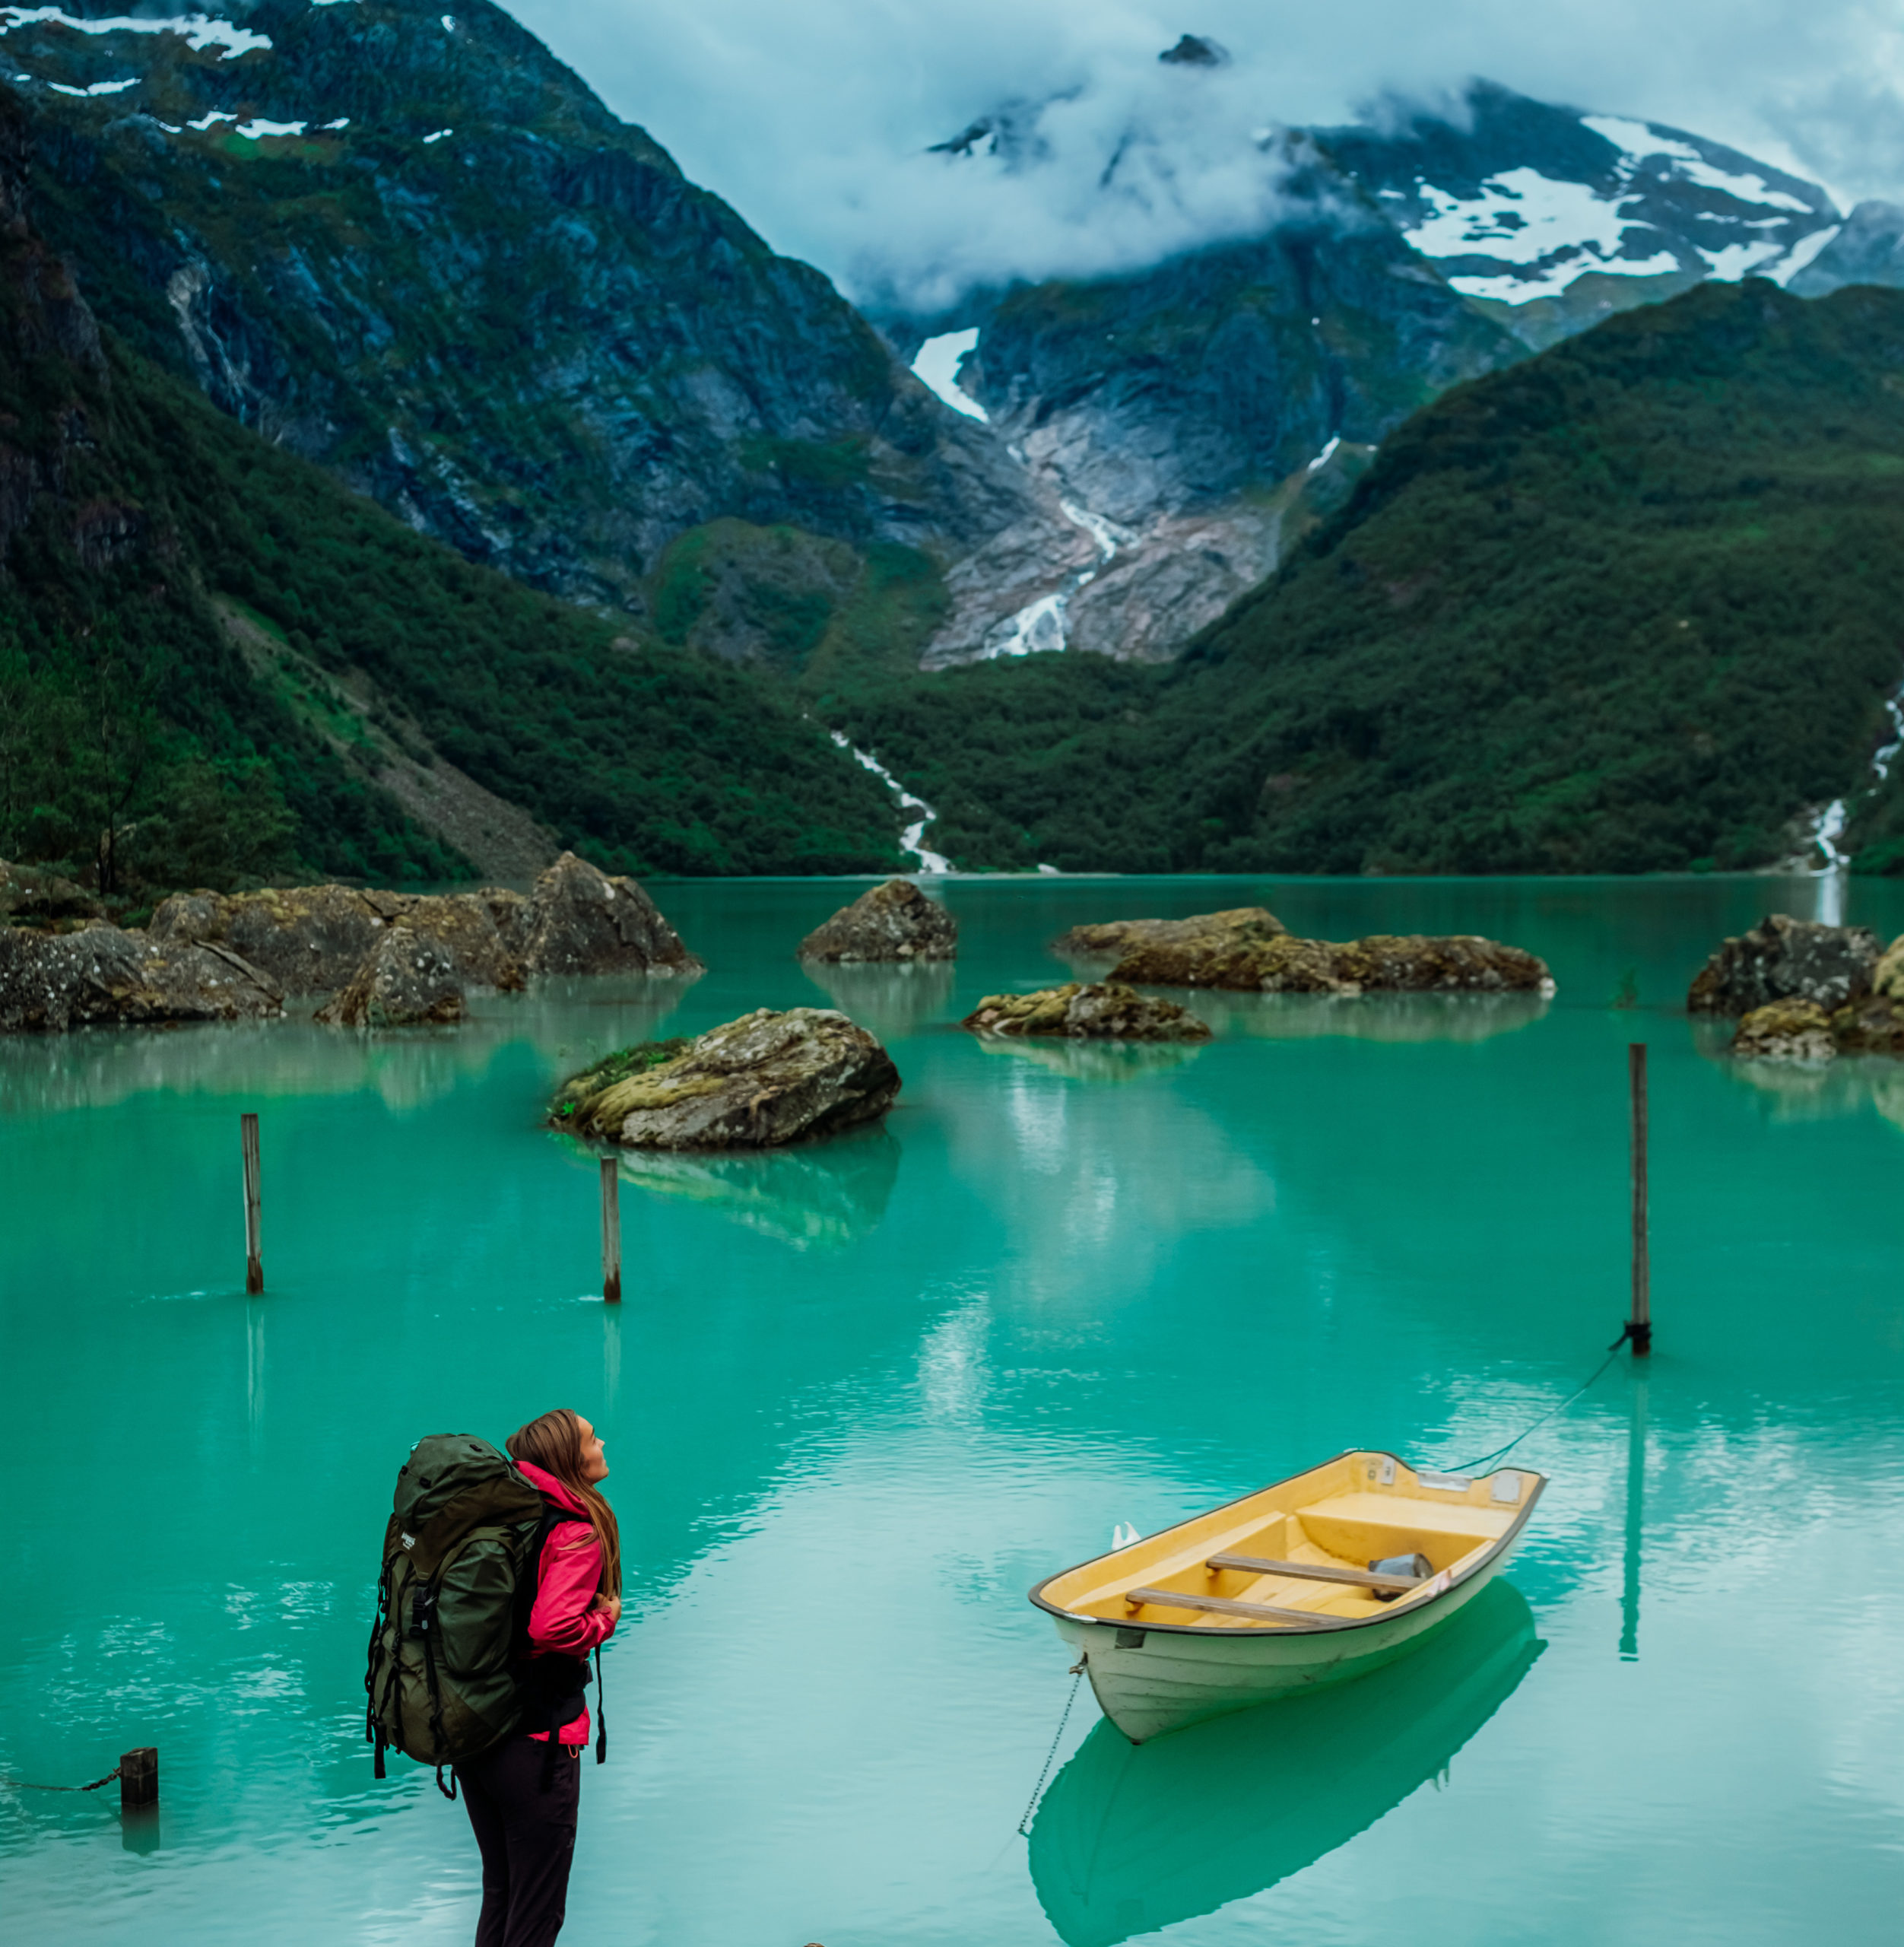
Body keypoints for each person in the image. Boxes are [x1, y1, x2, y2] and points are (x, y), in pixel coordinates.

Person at [454, 1409, 622, 1947]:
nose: (602, 1442)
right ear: (570, 1458)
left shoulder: (507, 1517)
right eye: (592, 1437)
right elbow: (552, 1627)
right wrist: (604, 1620)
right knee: (539, 1909)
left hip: (477, 1727)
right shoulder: (572, 1530)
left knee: (503, 1891)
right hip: (539, 1742)